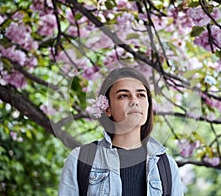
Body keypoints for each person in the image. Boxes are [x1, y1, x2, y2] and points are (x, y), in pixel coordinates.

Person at [59, 67, 183, 195]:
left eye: (141, 95)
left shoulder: (167, 166)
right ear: (107, 109)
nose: (134, 101)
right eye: (123, 95)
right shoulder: (80, 159)